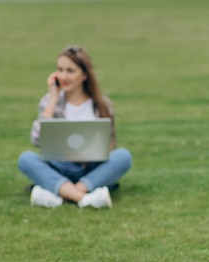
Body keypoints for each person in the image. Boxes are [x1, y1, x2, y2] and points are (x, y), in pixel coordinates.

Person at [18, 45, 132, 208]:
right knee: (26, 159)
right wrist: (52, 100)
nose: (63, 76)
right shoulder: (50, 101)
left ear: (85, 74)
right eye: (60, 70)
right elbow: (37, 140)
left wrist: (90, 154)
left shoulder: (102, 104)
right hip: (60, 166)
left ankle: (63, 194)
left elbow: (110, 146)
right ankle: (85, 198)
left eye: (70, 71)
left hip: (90, 168)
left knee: (123, 156)